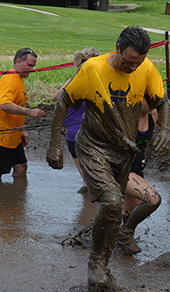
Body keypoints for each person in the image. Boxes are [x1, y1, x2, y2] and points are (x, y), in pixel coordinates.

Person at [46, 26, 170, 292]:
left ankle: (103, 265)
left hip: (123, 153)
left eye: (137, 63)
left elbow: (163, 103)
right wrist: (54, 146)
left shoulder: (146, 69)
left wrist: (165, 131)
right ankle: (96, 265)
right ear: (117, 49)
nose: (132, 68)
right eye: (128, 62)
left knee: (114, 214)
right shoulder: (92, 69)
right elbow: (62, 103)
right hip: (92, 146)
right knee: (113, 202)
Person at [116, 100, 170, 255]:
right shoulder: (124, 114)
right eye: (149, 101)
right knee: (153, 199)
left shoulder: (153, 115)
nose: (153, 105)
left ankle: (118, 242)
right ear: (138, 98)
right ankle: (123, 235)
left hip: (137, 167)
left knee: (130, 212)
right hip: (120, 169)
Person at [0, 48, 46, 180]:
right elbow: (5, 105)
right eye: (29, 65)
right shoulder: (10, 79)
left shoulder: (18, 79)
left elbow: (16, 105)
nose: (31, 69)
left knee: (21, 167)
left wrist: (21, 129)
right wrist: (30, 112)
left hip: (13, 134)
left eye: (33, 66)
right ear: (19, 61)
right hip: (0, 136)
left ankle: (17, 199)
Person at [53, 48, 100, 192]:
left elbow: (55, 97)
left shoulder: (72, 81)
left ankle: (87, 203)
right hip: (94, 132)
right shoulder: (100, 82)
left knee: (87, 179)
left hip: (74, 133)